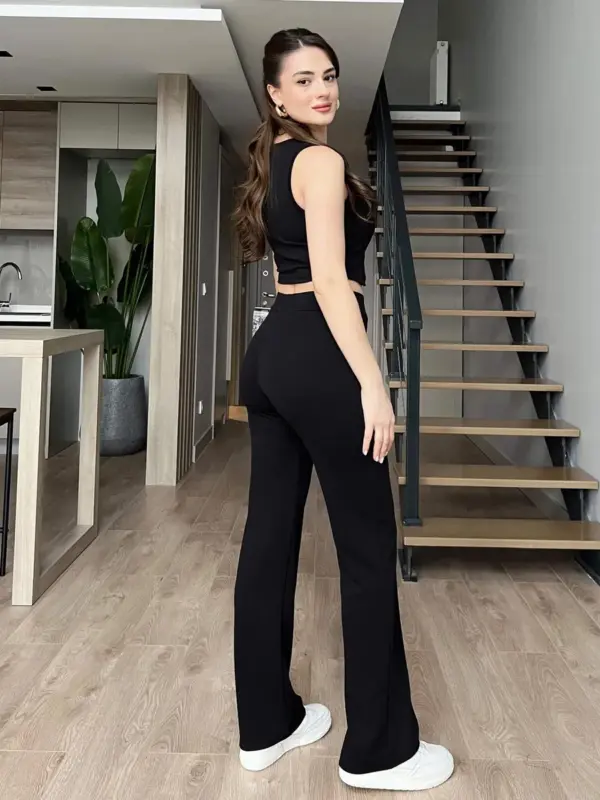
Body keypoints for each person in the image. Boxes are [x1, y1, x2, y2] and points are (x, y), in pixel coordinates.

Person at [232, 28, 454, 793]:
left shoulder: (275, 161)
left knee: (268, 542)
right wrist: (373, 382)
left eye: (327, 74)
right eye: (303, 79)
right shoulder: (321, 162)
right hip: (320, 355)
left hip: (271, 354)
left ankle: (266, 726)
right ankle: (380, 751)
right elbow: (331, 280)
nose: (321, 89)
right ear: (275, 93)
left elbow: (295, 272)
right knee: (365, 549)